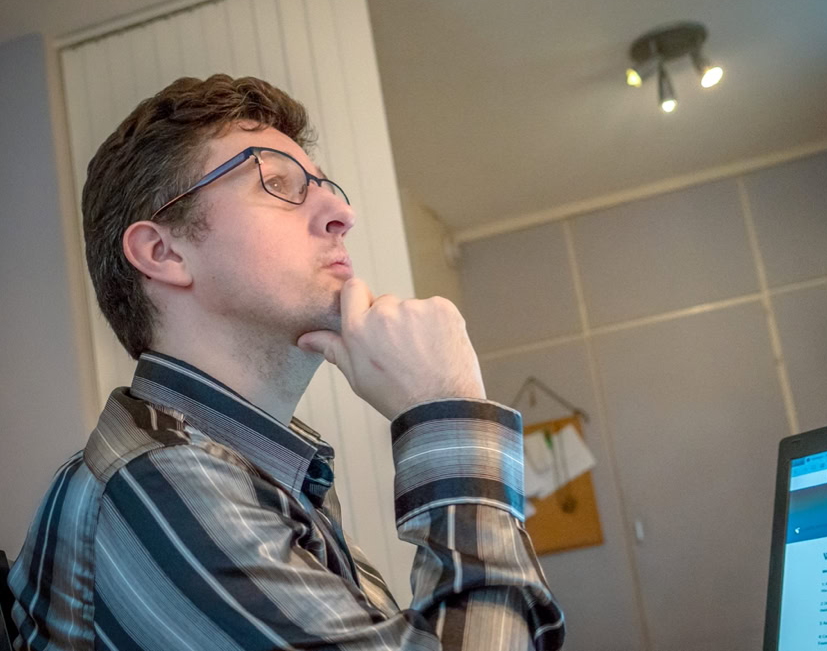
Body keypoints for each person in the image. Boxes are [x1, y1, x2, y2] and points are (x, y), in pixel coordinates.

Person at [7, 74, 564, 650]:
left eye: (325, 186)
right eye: (277, 183)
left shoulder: (259, 475)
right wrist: (446, 410)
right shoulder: (158, 484)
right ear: (163, 252)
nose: (342, 213)